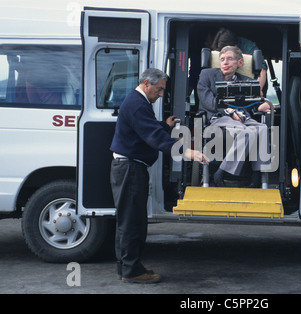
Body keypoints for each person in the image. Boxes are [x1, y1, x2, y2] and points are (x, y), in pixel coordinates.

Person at [110, 68, 208, 284]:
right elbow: (153, 137)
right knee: (132, 223)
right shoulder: (137, 104)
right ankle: (132, 272)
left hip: (129, 168)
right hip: (130, 169)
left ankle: (127, 267)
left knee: (128, 221)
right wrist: (187, 152)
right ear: (146, 83)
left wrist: (165, 125)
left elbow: (146, 130)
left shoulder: (137, 102)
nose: (162, 94)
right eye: (160, 89)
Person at [197, 46, 271, 187]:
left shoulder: (248, 81)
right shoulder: (206, 75)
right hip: (218, 118)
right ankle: (223, 171)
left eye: (230, 59)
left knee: (261, 129)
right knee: (247, 132)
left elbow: (253, 103)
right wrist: (231, 112)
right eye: (222, 59)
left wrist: (261, 106)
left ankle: (259, 177)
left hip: (242, 118)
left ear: (240, 63)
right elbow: (207, 101)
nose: (225, 62)